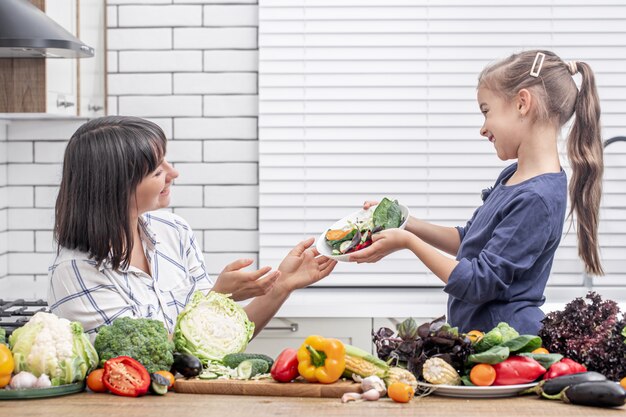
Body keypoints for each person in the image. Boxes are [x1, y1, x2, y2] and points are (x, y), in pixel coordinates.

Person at [350, 50, 604, 335]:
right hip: (482, 339)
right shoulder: (514, 176)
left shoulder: (537, 198)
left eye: (486, 111)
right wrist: (406, 222)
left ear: (522, 103)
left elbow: (479, 283)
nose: (483, 129)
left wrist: (408, 242)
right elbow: (469, 241)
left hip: (506, 346)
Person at [48, 116, 337, 337]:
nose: (174, 173)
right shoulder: (75, 271)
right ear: (116, 187)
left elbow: (219, 339)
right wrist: (217, 297)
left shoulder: (173, 231)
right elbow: (141, 365)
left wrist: (282, 285)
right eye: (158, 170)